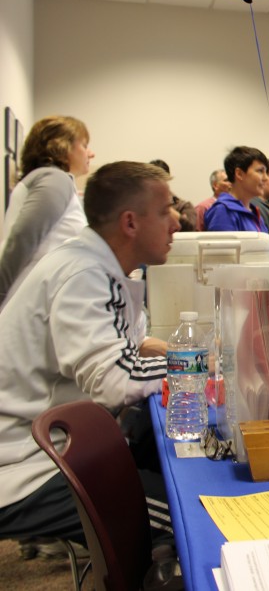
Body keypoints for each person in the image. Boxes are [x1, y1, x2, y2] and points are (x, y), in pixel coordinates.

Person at [0, 161, 178, 546]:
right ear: (130, 223)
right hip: (28, 465)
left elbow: (135, 345)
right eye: (164, 211)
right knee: (186, 515)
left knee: (160, 458)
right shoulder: (83, 274)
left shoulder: (99, 265)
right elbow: (114, 380)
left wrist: (191, 354)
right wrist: (196, 366)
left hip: (57, 447)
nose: (176, 222)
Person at [0, 116, 94, 310]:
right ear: (62, 146)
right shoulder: (54, 179)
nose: (91, 153)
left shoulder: (55, 180)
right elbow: (22, 238)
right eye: (84, 145)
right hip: (30, 304)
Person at [204, 146, 269, 259]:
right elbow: (223, 261)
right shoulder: (223, 211)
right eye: (260, 171)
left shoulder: (253, 211)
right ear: (239, 174)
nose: (265, 178)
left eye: (266, 172)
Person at [148, 159, 197, 232]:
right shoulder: (142, 205)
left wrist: (166, 207)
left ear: (167, 180)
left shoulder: (184, 206)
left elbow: (190, 229)